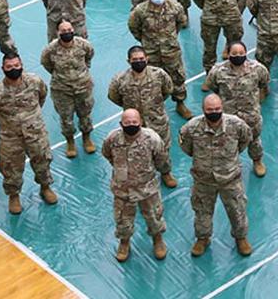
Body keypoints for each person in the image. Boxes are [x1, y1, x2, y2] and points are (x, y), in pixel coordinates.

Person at [179, 94, 254, 257]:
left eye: (217, 109)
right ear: (203, 110)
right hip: (203, 180)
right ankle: (202, 238)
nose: (214, 112)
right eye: (210, 110)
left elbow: (245, 141)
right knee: (202, 212)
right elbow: (187, 148)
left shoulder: (236, 125)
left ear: (222, 108)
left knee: (237, 210)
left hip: (230, 179)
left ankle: (241, 238)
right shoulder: (191, 128)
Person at [0, 54, 57, 214]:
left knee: (42, 161)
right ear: (3, 68)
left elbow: (42, 97)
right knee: (10, 168)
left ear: (22, 64)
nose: (14, 69)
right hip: (10, 137)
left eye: (16, 65)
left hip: (36, 133)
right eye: (9, 67)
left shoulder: (35, 82)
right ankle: (14, 196)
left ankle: (45, 188)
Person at [102, 109, 169, 263]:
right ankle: (124, 243)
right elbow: (107, 154)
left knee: (154, 217)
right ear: (121, 124)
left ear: (140, 123)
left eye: (134, 122)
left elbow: (161, 159)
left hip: (147, 189)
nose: (131, 125)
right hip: (122, 189)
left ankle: (157, 240)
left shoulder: (152, 138)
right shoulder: (113, 138)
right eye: (127, 123)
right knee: (122, 220)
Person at [107, 46, 178, 188]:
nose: (138, 62)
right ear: (129, 61)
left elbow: (167, 90)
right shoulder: (120, 80)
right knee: (136, 153)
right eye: (135, 60)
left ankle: (166, 173)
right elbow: (113, 96)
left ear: (147, 59)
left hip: (157, 121)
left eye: (141, 59)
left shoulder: (159, 75)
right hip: (134, 125)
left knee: (162, 150)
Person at [203, 41, 271, 177]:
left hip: (251, 114)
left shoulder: (257, 69)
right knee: (227, 142)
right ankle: (229, 165)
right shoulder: (218, 71)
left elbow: (264, 83)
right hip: (228, 117)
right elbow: (213, 86)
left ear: (246, 54)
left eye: (241, 53)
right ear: (228, 54)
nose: (238, 56)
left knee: (254, 140)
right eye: (234, 53)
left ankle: (257, 161)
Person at [128, 0, 193, 119]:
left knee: (177, 77)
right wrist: (146, 41)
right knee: (152, 81)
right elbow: (133, 27)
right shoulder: (140, 11)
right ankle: (156, 107)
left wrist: (170, 38)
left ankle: (180, 104)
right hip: (151, 54)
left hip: (171, 51)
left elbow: (181, 23)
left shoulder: (175, 8)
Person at [40, 21, 96, 158]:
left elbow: (89, 56)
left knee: (85, 114)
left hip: (83, 87)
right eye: (63, 31)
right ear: (58, 33)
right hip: (62, 90)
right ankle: (70, 142)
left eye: (69, 29)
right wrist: (59, 76)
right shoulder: (50, 49)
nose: (67, 32)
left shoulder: (83, 44)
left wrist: (83, 71)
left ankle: (86, 138)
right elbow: (46, 63)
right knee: (66, 118)